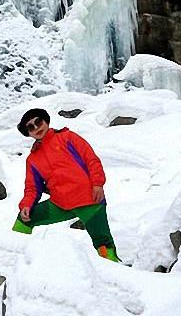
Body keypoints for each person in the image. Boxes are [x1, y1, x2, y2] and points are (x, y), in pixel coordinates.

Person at [11, 108, 121, 262]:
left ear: (46, 121)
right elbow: (32, 188)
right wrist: (26, 205)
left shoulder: (68, 137)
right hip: (60, 204)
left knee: (103, 245)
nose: (36, 128)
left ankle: (114, 272)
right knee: (23, 220)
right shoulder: (33, 159)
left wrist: (97, 184)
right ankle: (16, 259)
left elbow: (91, 160)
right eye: (30, 127)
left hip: (89, 200)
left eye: (38, 122)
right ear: (28, 133)